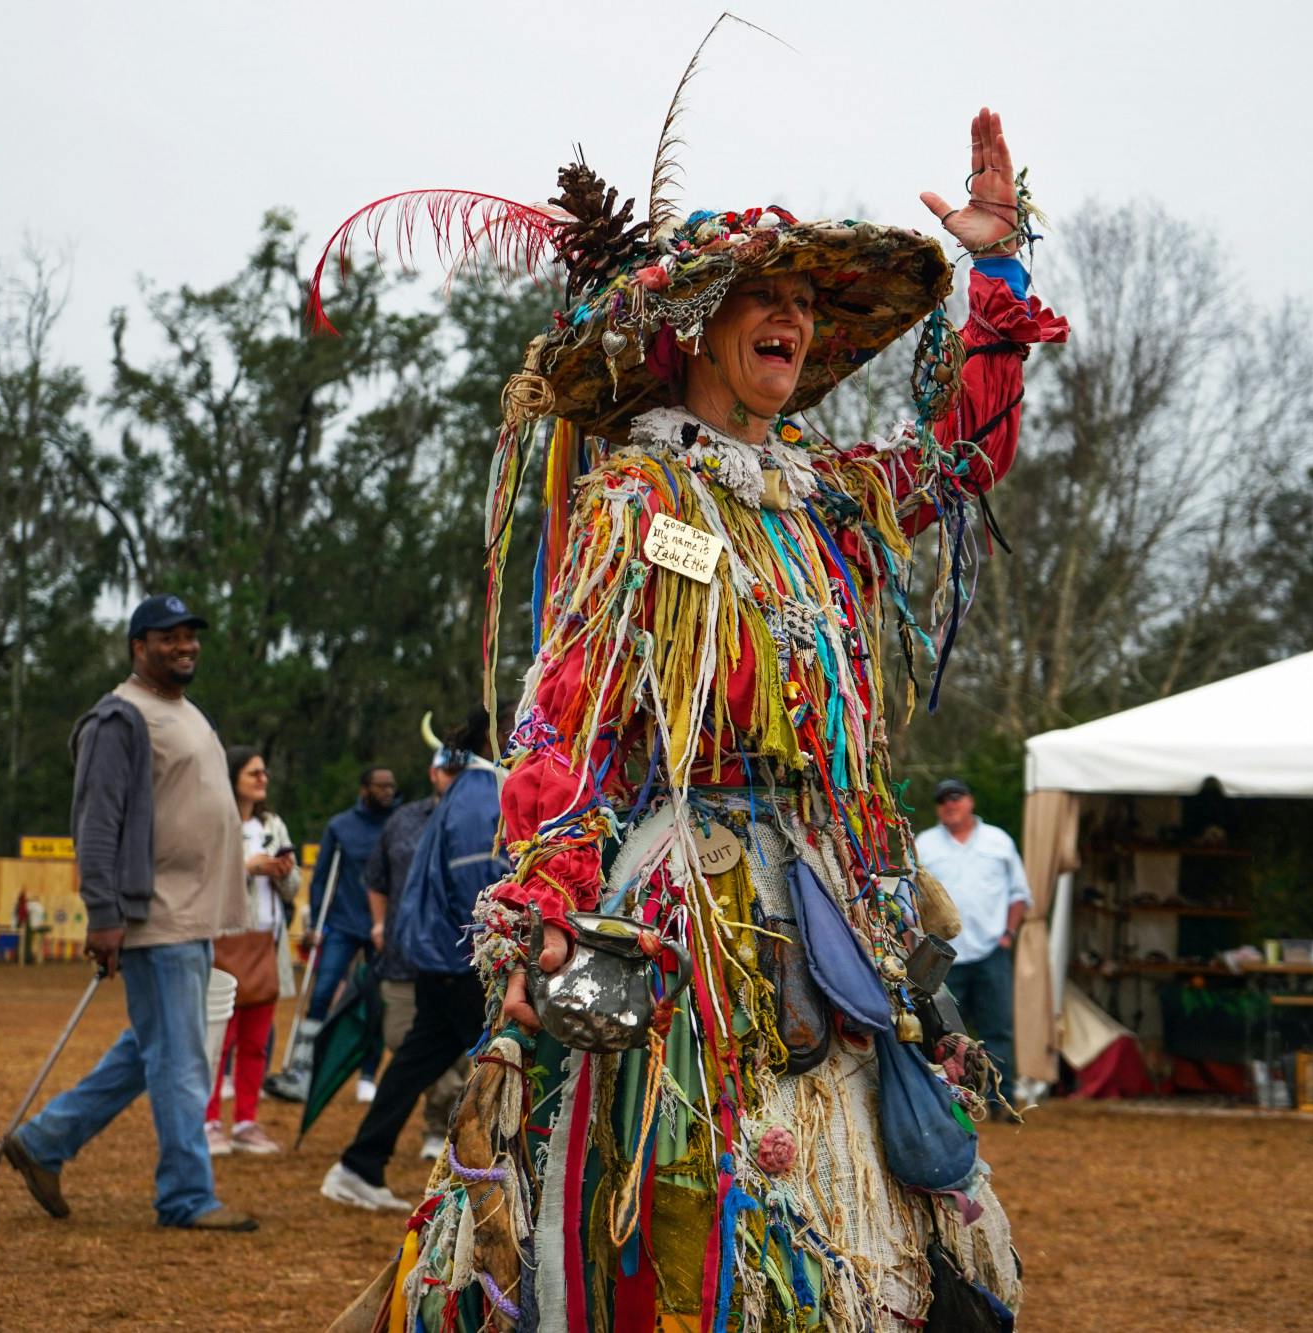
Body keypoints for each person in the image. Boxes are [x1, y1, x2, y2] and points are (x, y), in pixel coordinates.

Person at [320, 99, 1063, 1328]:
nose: (790, 316)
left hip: (833, 907)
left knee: (889, 1222)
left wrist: (995, 267)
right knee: (675, 1216)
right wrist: (545, 911)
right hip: (686, 918)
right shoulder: (631, 500)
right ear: (693, 334)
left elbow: (962, 456)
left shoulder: (829, 501)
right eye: (756, 297)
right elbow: (567, 724)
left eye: (805, 303)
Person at [0, 594, 257, 1232]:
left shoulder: (183, 711)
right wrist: (103, 914)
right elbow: (95, 823)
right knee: (179, 1060)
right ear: (138, 646)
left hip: (192, 917)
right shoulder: (119, 718)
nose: (184, 645)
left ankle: (45, 1141)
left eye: (190, 635)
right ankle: (186, 1197)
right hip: (157, 916)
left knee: (152, 1051)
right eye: (167, 637)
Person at [322, 711, 505, 1211]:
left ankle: (359, 1164)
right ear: (500, 736)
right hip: (462, 960)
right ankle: (506, 1175)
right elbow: (480, 890)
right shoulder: (479, 796)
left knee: (415, 1063)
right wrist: (503, 953)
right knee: (509, 1060)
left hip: (445, 957)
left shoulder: (472, 792)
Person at [363, 749, 461, 1162]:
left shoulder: (477, 818)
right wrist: (379, 923)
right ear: (432, 771)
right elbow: (376, 877)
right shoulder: (402, 821)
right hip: (402, 957)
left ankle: (439, 1128)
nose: (452, 777)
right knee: (401, 1040)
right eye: (446, 770)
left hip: (453, 959)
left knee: (450, 1055)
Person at [278, 765, 397, 1101]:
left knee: (377, 999)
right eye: (380, 786)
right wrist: (316, 923)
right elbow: (320, 879)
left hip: (381, 927)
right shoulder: (341, 826)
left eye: (391, 786)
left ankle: (368, 1075)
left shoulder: (398, 823)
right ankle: (304, 1068)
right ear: (364, 789)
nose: (388, 791)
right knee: (322, 991)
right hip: (343, 923)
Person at [205, 747, 300, 1156]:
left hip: (266, 942)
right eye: (253, 772)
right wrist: (247, 867)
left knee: (256, 1042)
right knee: (217, 1040)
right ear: (232, 777)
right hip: (223, 939)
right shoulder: (214, 821)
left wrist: (283, 872)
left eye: (264, 772)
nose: (262, 778)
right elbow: (203, 877)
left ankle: (246, 1121)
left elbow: (293, 888)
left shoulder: (273, 824)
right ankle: (208, 1122)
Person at [915, 778, 1033, 1091]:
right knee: (944, 1030)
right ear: (938, 808)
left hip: (991, 949)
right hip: (942, 954)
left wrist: (1008, 934)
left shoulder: (998, 841)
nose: (950, 804)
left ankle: (1001, 1095)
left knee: (998, 1028)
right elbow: (913, 899)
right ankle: (954, 1096)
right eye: (943, 800)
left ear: (970, 802)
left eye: (956, 797)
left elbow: (1019, 894)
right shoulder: (924, 844)